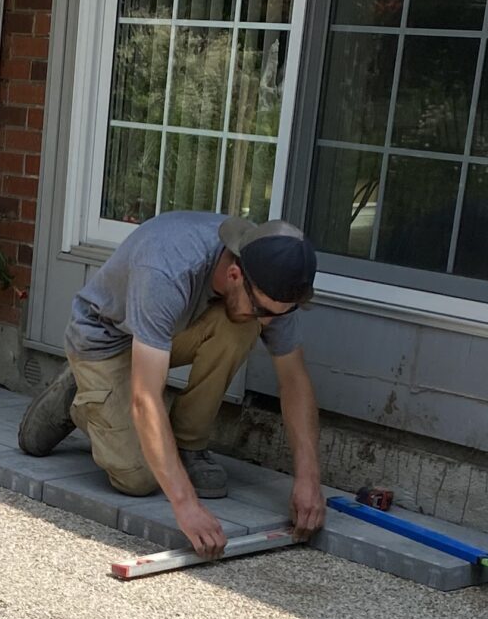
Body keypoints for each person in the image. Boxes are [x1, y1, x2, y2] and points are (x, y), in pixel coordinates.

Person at [19, 213, 327, 555]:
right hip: (105, 341)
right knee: (139, 478)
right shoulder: (168, 268)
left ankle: (187, 446)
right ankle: (80, 393)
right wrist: (185, 504)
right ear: (234, 274)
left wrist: (308, 477)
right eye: (263, 310)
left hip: (163, 335)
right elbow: (145, 398)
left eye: (278, 314)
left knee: (240, 326)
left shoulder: (268, 278)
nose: (269, 322)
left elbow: (294, 381)